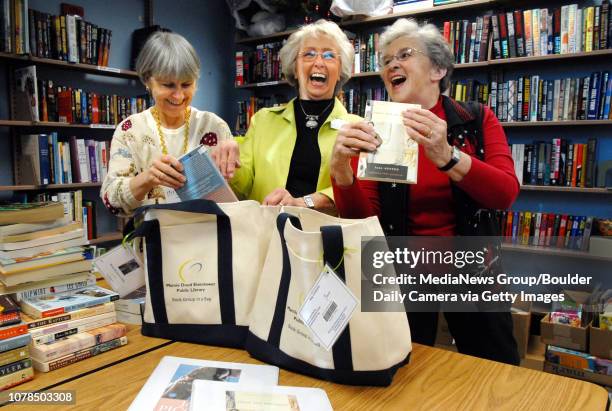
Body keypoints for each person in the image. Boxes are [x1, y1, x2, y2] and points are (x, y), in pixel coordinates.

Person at [330, 18, 520, 365]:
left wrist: (448, 157)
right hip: (399, 273)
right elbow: (365, 223)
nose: (392, 66)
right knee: (401, 372)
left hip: (474, 270)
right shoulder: (377, 129)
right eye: (385, 61)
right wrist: (342, 172)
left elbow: (505, 193)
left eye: (404, 54)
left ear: (438, 69)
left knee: (495, 369)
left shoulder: (476, 119)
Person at [213, 20, 359, 210]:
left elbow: (360, 192)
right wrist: (228, 163)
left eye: (329, 55)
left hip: (326, 235)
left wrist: (303, 203)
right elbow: (244, 185)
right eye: (309, 54)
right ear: (295, 68)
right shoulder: (263, 120)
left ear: (340, 71)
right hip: (268, 232)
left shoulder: (357, 129)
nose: (319, 62)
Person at [101, 32, 232, 216]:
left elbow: (235, 196)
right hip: (154, 241)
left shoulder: (215, 126)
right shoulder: (130, 130)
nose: (178, 96)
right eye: (168, 85)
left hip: (208, 240)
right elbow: (111, 202)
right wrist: (148, 178)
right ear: (148, 81)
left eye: (186, 85)